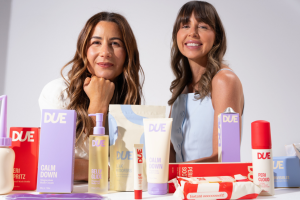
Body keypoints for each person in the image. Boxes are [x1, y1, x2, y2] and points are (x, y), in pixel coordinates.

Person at [39, 12, 144, 180]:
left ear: (127, 53)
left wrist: (96, 169)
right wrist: (98, 105)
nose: (105, 52)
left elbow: (134, 168)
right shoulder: (58, 92)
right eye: (96, 42)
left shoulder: (128, 99)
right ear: (84, 49)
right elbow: (57, 167)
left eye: (115, 43)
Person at [169, 1, 244, 163]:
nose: (193, 33)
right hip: (182, 186)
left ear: (217, 37)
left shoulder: (224, 81)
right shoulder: (180, 87)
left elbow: (226, 157)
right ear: (177, 35)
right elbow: (170, 152)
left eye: (203, 26)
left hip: (213, 186)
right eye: (185, 26)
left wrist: (177, 172)